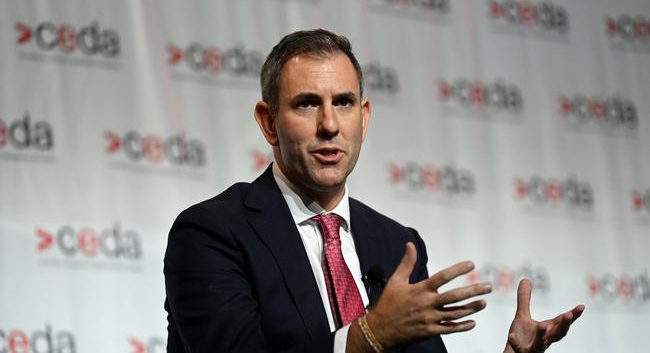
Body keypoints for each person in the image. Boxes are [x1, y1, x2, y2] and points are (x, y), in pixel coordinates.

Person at [163, 29, 584, 353]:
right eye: (307, 103)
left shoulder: (396, 244)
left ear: (363, 119)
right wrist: (370, 335)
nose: (329, 124)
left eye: (344, 103)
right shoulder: (210, 233)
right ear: (269, 122)